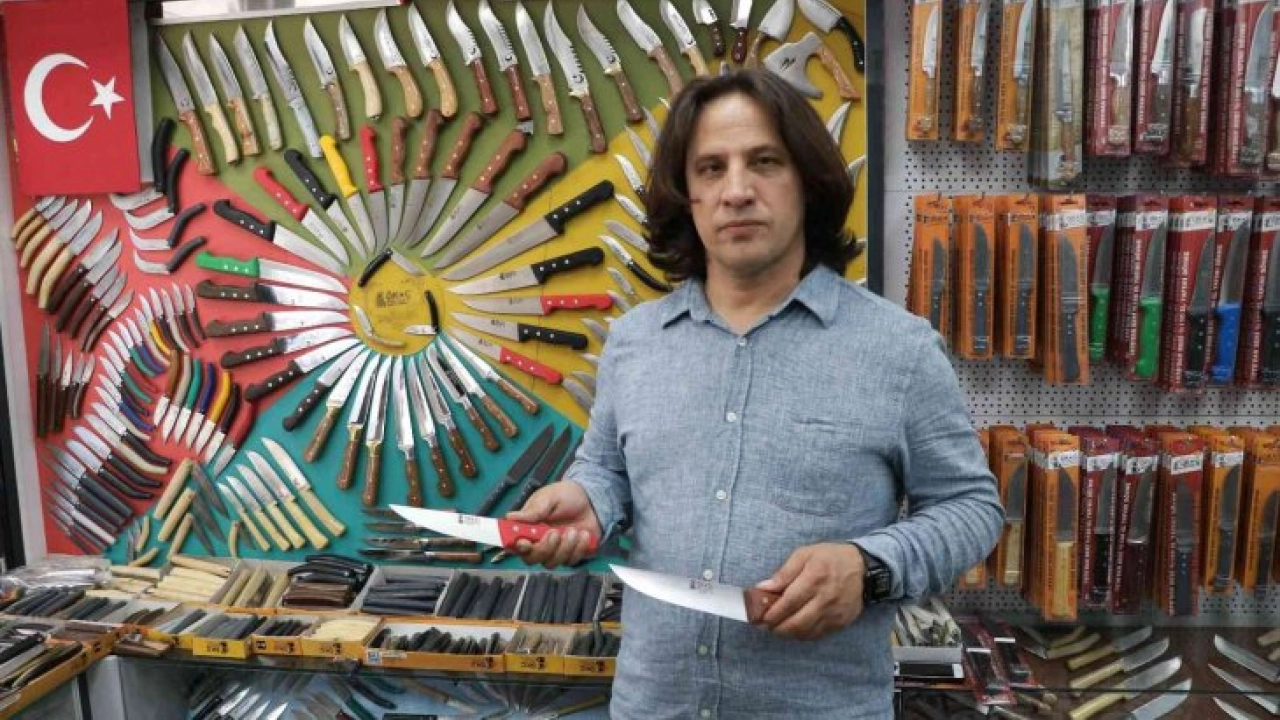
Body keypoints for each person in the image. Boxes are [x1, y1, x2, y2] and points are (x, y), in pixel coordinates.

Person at [508, 70, 1004, 719]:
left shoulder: (898, 350)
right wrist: (588, 500)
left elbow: (972, 509)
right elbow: (605, 471)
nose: (736, 191)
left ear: (807, 181)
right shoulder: (634, 342)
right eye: (711, 168)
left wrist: (870, 568)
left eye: (764, 162)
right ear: (687, 194)